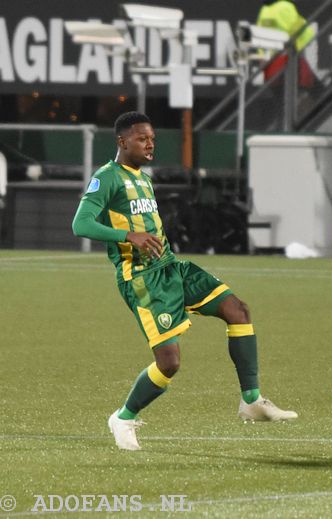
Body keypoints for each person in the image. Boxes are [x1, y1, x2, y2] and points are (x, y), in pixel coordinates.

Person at [72, 112, 297, 451]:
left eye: (152, 139)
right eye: (142, 138)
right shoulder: (106, 178)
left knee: (238, 310)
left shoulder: (144, 179)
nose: (150, 144)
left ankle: (251, 400)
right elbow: (81, 224)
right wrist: (127, 235)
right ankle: (123, 416)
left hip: (172, 267)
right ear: (122, 142)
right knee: (170, 363)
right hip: (143, 280)